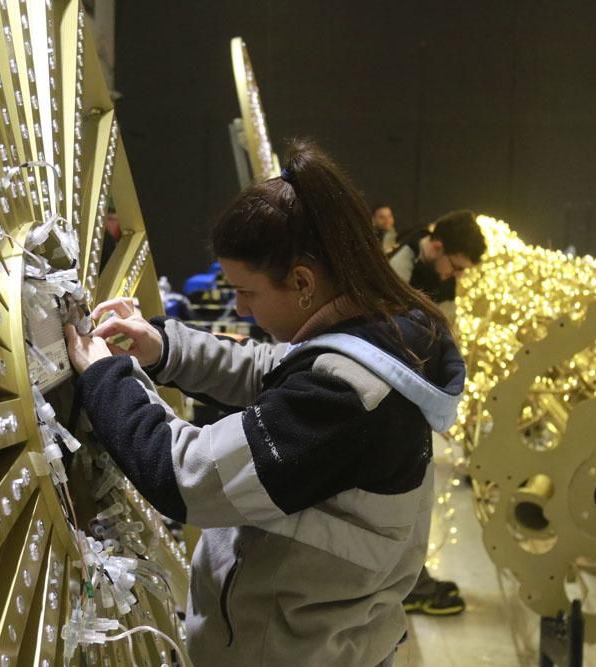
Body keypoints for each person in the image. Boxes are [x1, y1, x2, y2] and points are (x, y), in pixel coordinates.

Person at [65, 140, 466, 667]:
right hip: (326, 637)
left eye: (247, 292)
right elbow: (272, 371)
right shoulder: (384, 333)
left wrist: (104, 375)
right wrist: (164, 347)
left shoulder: (349, 398)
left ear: (302, 282)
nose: (239, 307)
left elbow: (186, 475)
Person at [385, 209, 485, 616]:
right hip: (390, 403)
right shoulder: (396, 269)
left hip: (414, 402)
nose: (455, 277)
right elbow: (385, 339)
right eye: (456, 267)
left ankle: (410, 581)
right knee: (398, 501)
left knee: (413, 500)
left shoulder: (440, 276)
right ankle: (407, 585)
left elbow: (447, 337)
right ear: (438, 247)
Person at [388, 209, 486, 307]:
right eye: (457, 267)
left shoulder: (444, 270)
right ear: (437, 247)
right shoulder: (399, 266)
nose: (459, 275)